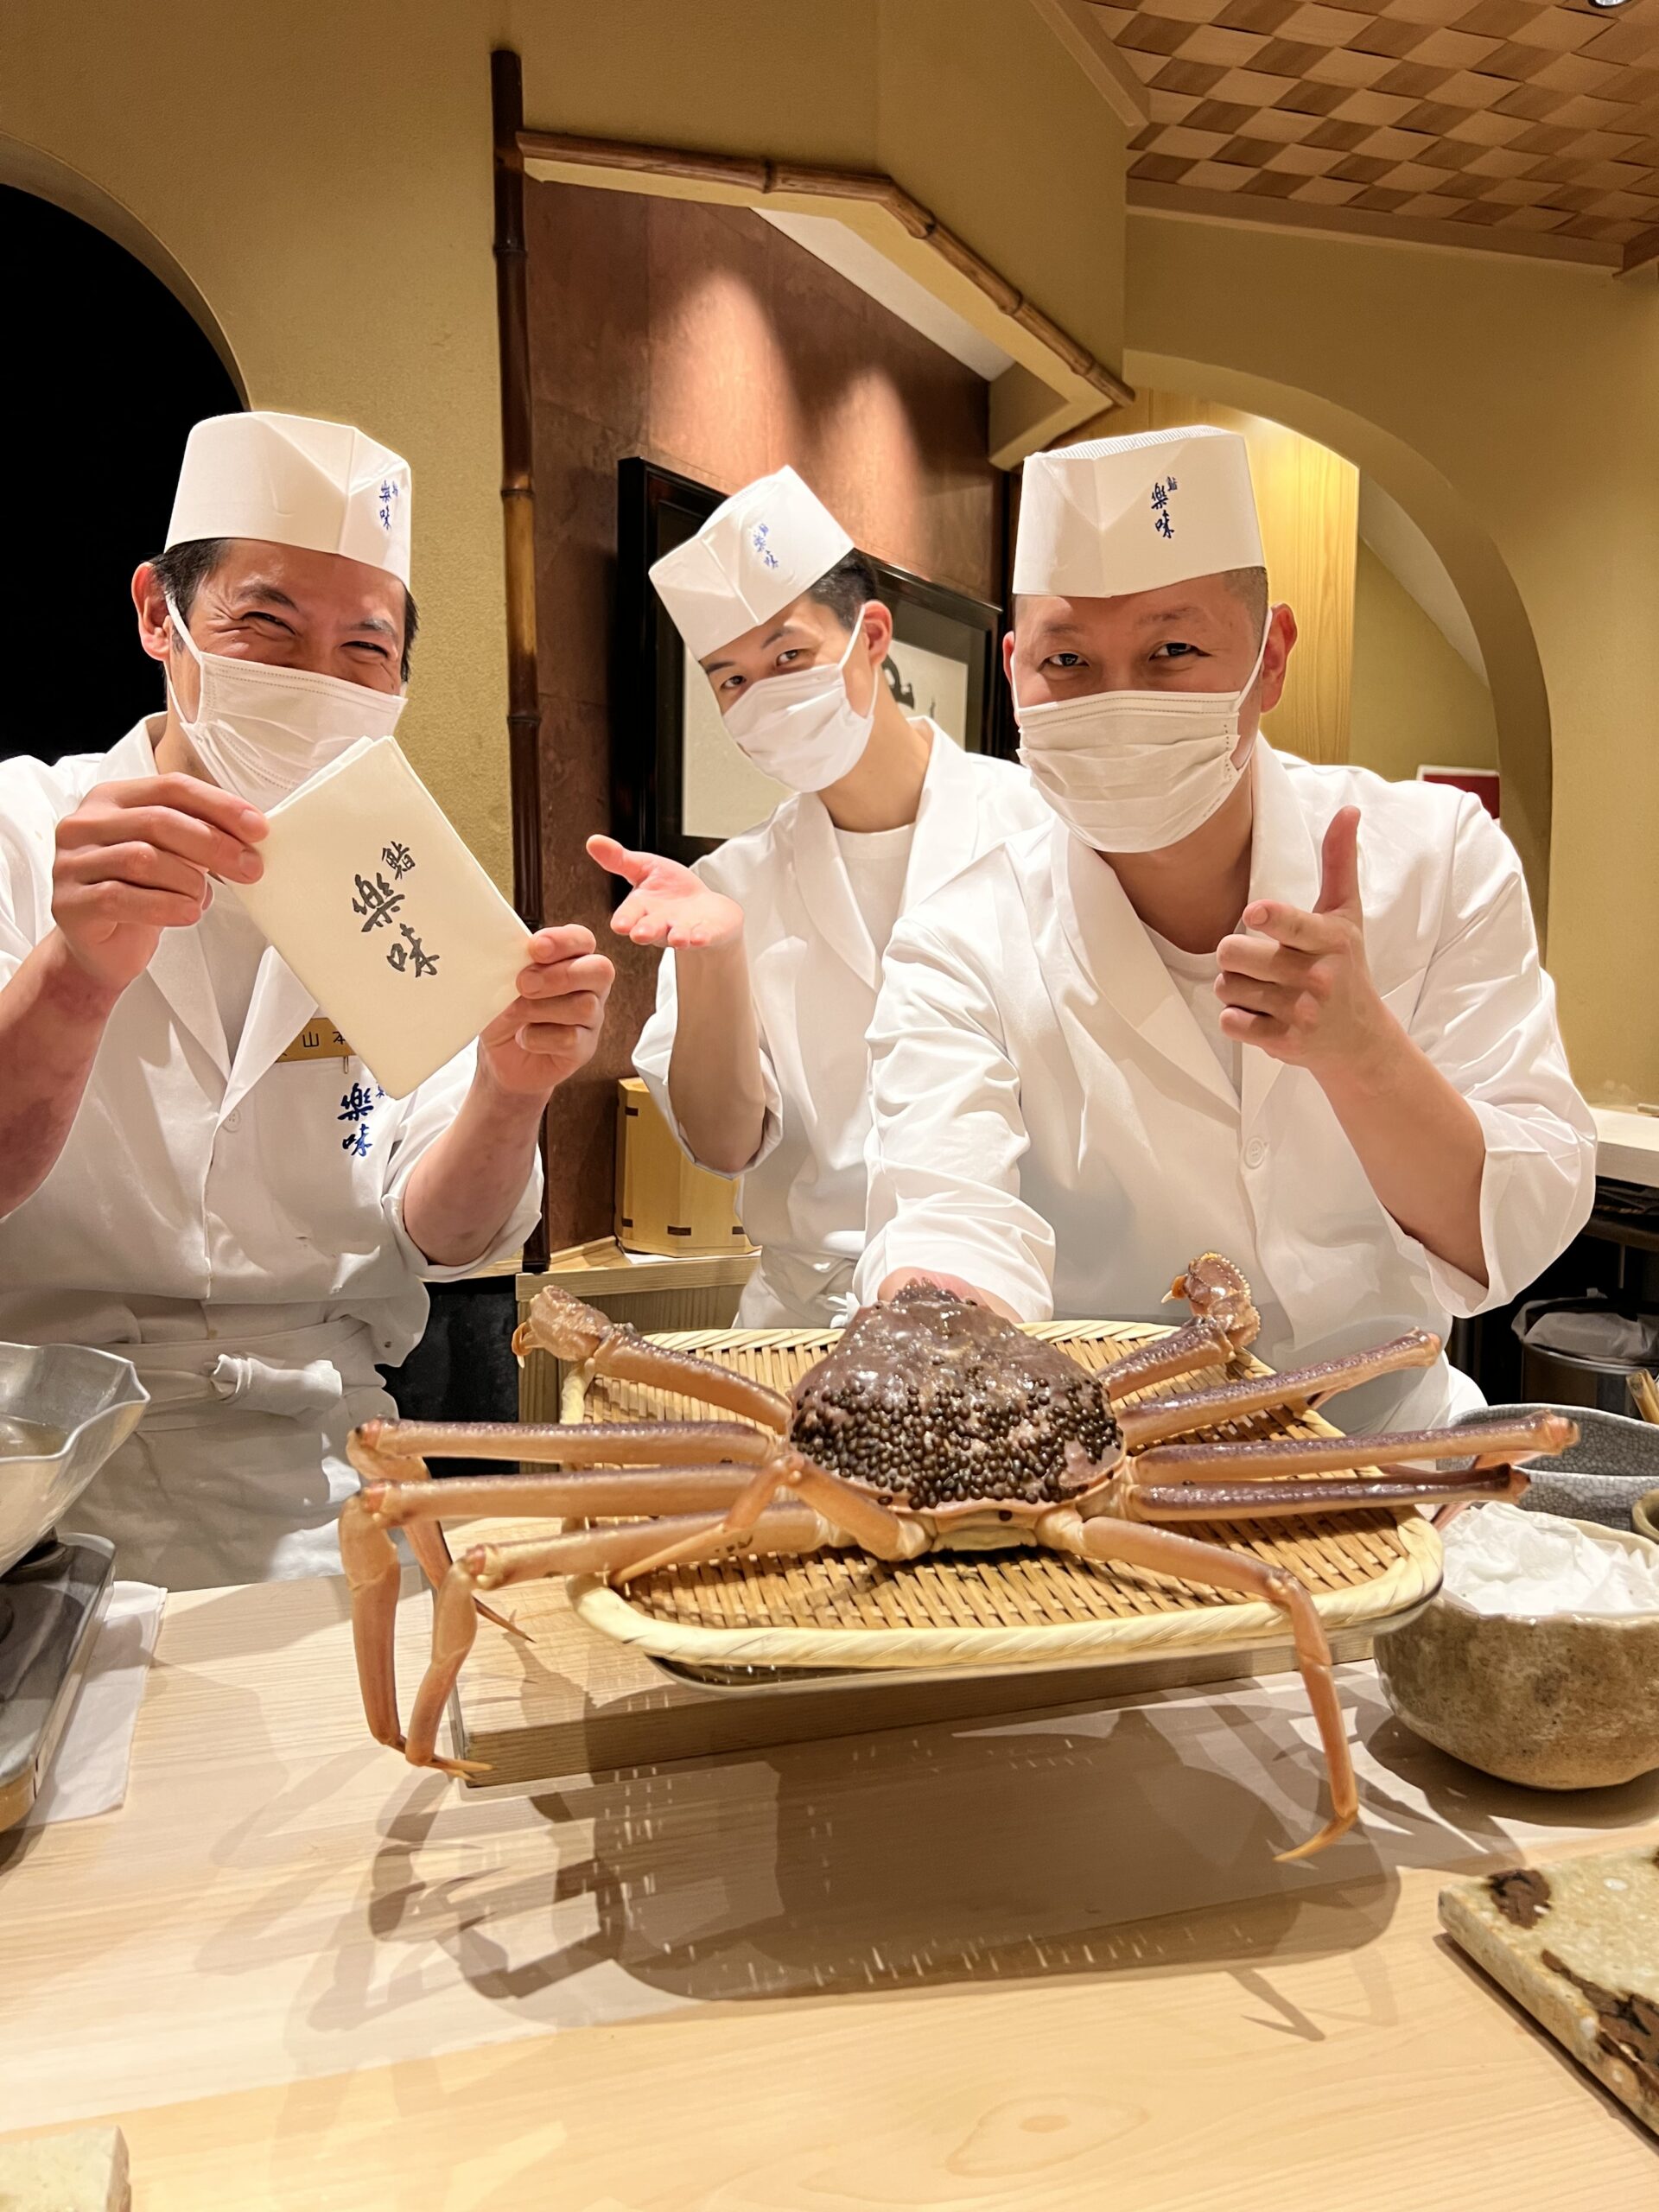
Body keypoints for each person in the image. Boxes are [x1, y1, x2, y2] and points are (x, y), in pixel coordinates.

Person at [855, 425, 1595, 1431]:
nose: (1119, 701)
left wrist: (1367, 1058)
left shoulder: (1438, 861)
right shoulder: (960, 938)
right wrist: (942, 1317)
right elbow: (949, 1207)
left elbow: (1510, 1233)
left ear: (1270, 658)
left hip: (1397, 1458)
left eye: (1173, 649)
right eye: (1069, 659)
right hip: (1105, 1472)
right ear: (1016, 670)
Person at [0, 411, 612, 1587]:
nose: (315, 682)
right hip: (41, 1464)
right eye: (267, 625)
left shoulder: (407, 884)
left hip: (325, 1467)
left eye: (364, 648)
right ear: (159, 615)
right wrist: (76, 972)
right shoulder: (25, 836)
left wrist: (511, 1089)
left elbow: (444, 1239)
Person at [592, 467, 1048, 1326]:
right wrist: (718, 959)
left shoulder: (1037, 828)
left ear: (871, 636)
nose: (763, 696)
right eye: (731, 680)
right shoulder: (730, 884)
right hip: (804, 1320)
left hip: (1014, 1308)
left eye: (788, 657)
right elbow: (724, 1146)